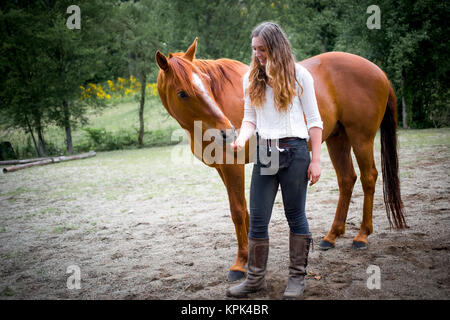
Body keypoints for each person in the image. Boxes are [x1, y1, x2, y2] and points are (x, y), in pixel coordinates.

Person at [227, 22, 323, 299]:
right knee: (257, 218)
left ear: (276, 47)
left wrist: (316, 160)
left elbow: (315, 122)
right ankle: (255, 279)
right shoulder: (250, 78)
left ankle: (297, 279)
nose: (257, 54)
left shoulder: (300, 76)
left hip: (295, 151)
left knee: (295, 216)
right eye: (254, 49)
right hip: (265, 152)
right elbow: (249, 119)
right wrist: (242, 139)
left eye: (263, 49)